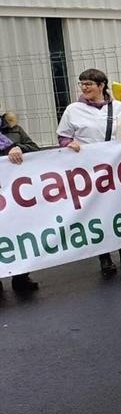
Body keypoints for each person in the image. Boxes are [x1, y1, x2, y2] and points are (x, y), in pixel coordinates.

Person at [57, 68, 121, 277]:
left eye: (89, 84)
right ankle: (104, 256)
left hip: (117, 168)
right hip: (89, 170)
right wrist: (71, 143)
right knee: (98, 212)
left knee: (119, 210)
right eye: (82, 84)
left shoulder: (120, 107)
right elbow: (63, 137)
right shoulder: (73, 110)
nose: (85, 88)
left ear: (101, 86)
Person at [0, 118, 39, 292]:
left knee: (18, 232)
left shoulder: (13, 128)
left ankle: (21, 276)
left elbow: (34, 148)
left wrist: (19, 148)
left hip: (14, 194)